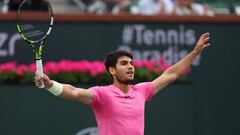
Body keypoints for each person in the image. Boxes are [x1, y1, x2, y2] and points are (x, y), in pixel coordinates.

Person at [35, 32, 210, 135]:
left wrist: (195, 53)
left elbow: (170, 74)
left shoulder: (142, 90)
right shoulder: (102, 94)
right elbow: (74, 92)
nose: (130, 67)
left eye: (132, 64)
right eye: (124, 64)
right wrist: (50, 84)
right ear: (112, 70)